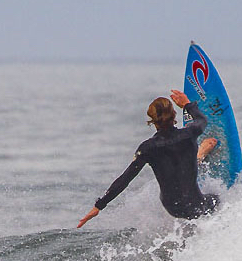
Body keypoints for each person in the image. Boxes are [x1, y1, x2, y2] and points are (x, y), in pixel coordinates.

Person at [77, 90, 220, 228]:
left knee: (175, 162)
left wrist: (99, 206)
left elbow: (125, 179)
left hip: (172, 208)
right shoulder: (190, 133)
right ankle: (199, 155)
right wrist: (188, 105)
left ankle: (198, 157)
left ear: (152, 121)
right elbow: (202, 120)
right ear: (174, 114)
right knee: (216, 200)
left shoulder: (147, 148)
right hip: (195, 205)